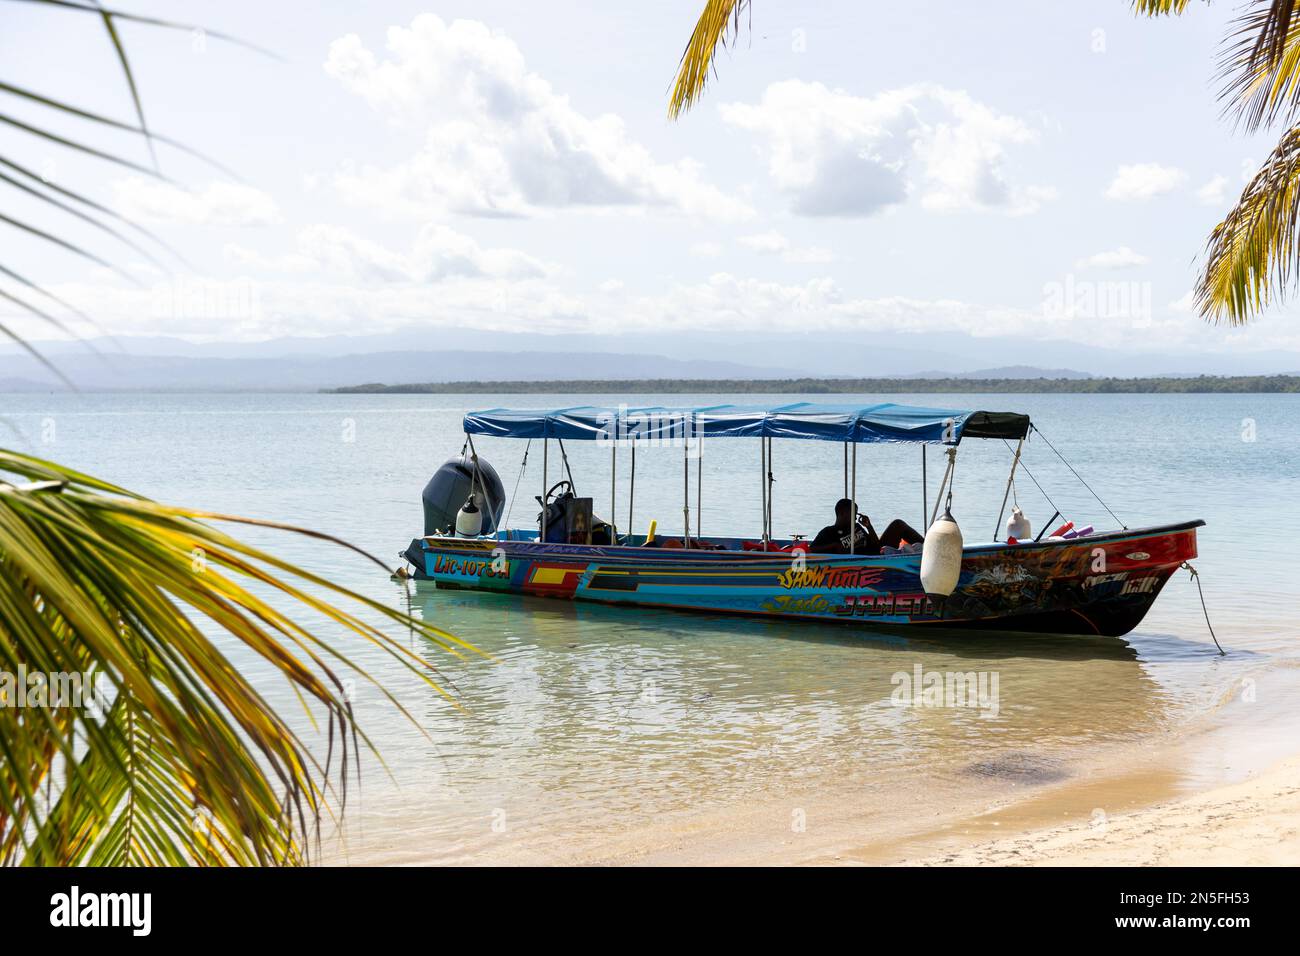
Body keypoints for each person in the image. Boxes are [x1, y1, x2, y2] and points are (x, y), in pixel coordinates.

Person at [809, 498, 923, 555]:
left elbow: (876, 545)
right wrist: (833, 545)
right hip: (866, 562)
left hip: (876, 554)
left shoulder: (856, 527)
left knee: (898, 524)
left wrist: (869, 527)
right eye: (853, 513)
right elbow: (812, 549)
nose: (855, 517)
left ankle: (929, 547)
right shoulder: (829, 532)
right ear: (842, 513)